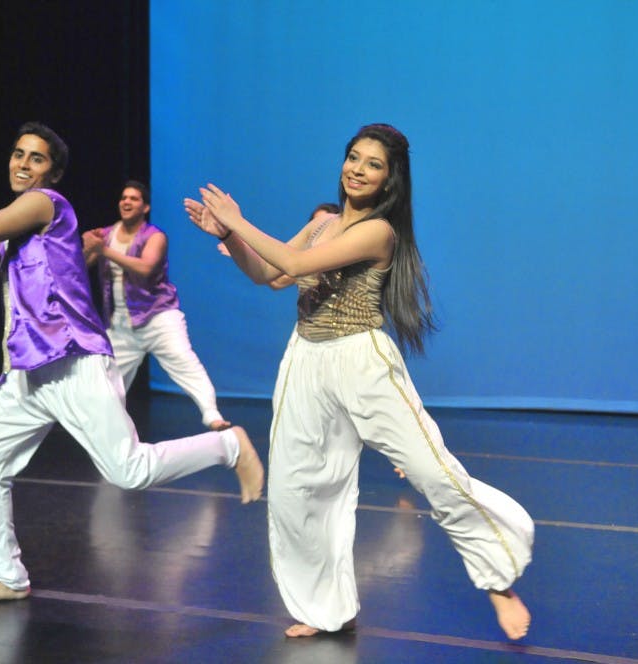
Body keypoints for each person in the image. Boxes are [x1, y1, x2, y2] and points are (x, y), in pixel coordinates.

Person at [0, 121, 263, 606]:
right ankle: (9, 577)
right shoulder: (7, 240)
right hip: (25, 374)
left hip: (73, 360)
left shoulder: (48, 205)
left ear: (53, 173)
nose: (22, 163)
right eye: (18, 153)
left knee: (129, 471)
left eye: (36, 158)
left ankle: (228, 445)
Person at [183, 123, 533, 641]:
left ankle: (498, 579)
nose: (358, 169)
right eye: (353, 157)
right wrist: (229, 236)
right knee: (296, 489)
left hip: (360, 362)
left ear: (390, 180)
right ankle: (328, 609)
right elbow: (272, 276)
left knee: (429, 470)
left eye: (373, 164)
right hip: (306, 360)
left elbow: (294, 262)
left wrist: (239, 220)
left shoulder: (379, 231)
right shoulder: (323, 221)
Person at [81, 181, 230, 431]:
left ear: (145, 207)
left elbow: (146, 268)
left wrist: (103, 250)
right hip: (121, 325)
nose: (126, 202)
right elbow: (81, 266)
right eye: (124, 198)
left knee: (184, 361)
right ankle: (104, 429)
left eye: (134, 199)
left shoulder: (155, 236)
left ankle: (211, 414)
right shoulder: (105, 235)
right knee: (107, 381)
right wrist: (87, 247)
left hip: (158, 317)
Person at [217, 202, 340, 291]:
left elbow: (281, 278)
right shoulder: (304, 254)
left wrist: (235, 223)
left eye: (325, 222)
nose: (318, 227)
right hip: (306, 323)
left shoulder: (338, 256)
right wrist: (236, 245)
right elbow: (270, 277)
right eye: (315, 222)